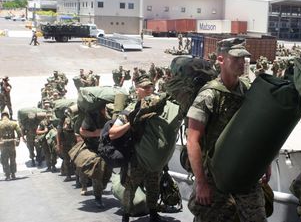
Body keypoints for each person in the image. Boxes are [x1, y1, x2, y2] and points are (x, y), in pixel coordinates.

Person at [186, 38, 270, 222]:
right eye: (236, 58)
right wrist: (201, 183)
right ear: (221, 59)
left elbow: (258, 129)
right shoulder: (209, 95)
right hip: (215, 175)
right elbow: (192, 140)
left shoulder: (248, 91)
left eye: (244, 59)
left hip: (245, 171)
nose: (242, 63)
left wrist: (266, 162)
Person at [109, 74, 166, 222]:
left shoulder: (158, 106)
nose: (148, 90)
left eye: (150, 86)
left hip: (153, 156)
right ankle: (126, 215)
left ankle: (153, 213)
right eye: (144, 87)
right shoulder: (130, 110)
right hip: (136, 158)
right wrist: (131, 124)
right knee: (131, 188)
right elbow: (113, 134)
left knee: (154, 186)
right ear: (137, 90)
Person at [79, 106, 112, 209]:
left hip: (107, 148)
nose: (105, 109)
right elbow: (82, 131)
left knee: (108, 173)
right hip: (93, 148)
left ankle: (100, 188)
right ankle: (98, 197)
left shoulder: (111, 116)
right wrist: (96, 133)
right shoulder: (91, 117)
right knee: (97, 172)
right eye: (103, 107)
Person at [0, 109, 23, 180]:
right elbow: (19, 132)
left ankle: (7, 175)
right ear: (8, 116)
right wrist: (18, 139)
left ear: (2, 116)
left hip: (3, 144)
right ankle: (13, 174)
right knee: (12, 159)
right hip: (12, 143)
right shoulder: (13, 123)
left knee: (4, 160)